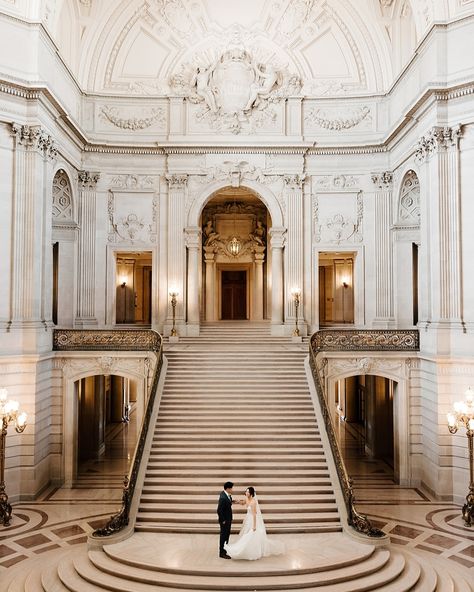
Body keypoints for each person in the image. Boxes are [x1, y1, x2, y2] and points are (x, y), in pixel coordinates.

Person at [224, 486, 285, 560]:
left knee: (251, 535)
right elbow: (243, 503)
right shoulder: (247, 498)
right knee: (246, 534)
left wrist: (254, 526)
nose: (246, 493)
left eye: (247, 492)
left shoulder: (253, 502)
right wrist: (237, 502)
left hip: (252, 520)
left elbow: (254, 514)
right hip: (247, 519)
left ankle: (251, 550)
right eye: (246, 491)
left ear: (251, 493)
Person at [217, 481, 234, 559]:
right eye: (231, 488)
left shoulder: (226, 494)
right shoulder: (223, 498)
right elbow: (219, 510)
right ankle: (222, 552)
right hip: (225, 521)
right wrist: (223, 520)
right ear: (228, 488)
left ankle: (225, 549)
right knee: (224, 536)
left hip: (228, 519)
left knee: (226, 535)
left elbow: (229, 501)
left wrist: (234, 501)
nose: (232, 490)